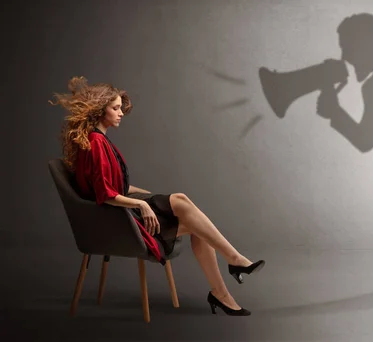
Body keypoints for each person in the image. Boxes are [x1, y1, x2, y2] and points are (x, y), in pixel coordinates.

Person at [50, 76, 265, 316]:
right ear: (101, 110)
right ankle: (232, 268)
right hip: (117, 220)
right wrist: (142, 204)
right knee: (186, 209)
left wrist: (143, 196)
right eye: (116, 108)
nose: (121, 113)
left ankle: (224, 288)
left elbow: (115, 186)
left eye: (121, 108)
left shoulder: (99, 140)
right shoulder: (96, 142)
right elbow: (106, 195)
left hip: (120, 214)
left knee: (190, 213)